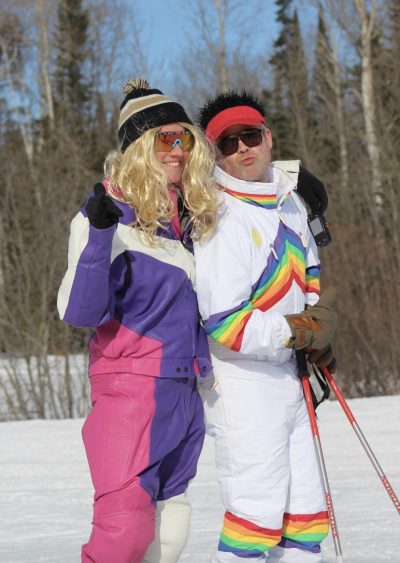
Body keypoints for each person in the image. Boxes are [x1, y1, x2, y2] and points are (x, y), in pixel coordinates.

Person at [57, 77, 219, 563]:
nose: (177, 151)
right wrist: (100, 233)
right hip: (131, 390)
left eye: (184, 138)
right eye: (164, 140)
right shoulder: (108, 214)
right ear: (138, 149)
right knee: (124, 532)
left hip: (186, 392)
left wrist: (292, 197)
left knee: (170, 532)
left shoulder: (191, 219)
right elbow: (79, 311)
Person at [194, 90, 337, 562]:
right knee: (254, 522)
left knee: (305, 517)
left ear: (268, 137)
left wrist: (316, 328)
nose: (242, 149)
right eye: (228, 143)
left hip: (291, 380)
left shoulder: (290, 201)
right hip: (244, 386)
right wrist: (295, 331)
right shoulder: (220, 216)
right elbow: (222, 321)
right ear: (216, 154)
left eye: (249, 136)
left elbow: (310, 275)